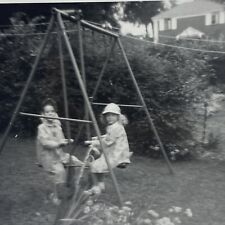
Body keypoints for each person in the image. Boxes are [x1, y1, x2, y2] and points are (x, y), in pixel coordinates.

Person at [36, 98, 83, 205]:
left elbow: (60, 139)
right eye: (47, 112)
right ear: (43, 114)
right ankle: (55, 195)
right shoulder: (41, 128)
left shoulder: (57, 126)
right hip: (48, 156)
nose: (50, 114)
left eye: (52, 111)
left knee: (74, 161)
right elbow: (45, 142)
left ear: (55, 113)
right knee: (59, 172)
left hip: (59, 154)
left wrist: (66, 141)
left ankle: (71, 186)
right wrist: (58, 144)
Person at [85, 103, 132, 195]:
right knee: (99, 165)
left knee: (93, 166)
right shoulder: (114, 126)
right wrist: (98, 137)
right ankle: (100, 184)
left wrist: (95, 142)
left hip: (115, 156)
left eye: (113, 115)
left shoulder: (116, 128)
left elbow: (108, 142)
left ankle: (95, 187)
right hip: (113, 153)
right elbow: (108, 136)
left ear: (118, 116)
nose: (110, 117)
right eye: (108, 115)